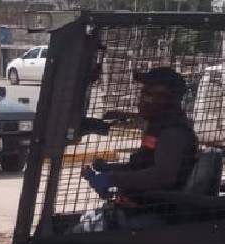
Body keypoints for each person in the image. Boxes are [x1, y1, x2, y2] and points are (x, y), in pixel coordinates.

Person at [83, 66, 198, 202]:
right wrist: (108, 169)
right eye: (142, 93)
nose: (141, 100)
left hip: (156, 212)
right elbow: (142, 165)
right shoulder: (158, 126)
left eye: (148, 94)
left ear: (167, 100)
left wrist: (111, 178)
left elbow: (162, 177)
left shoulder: (173, 133)